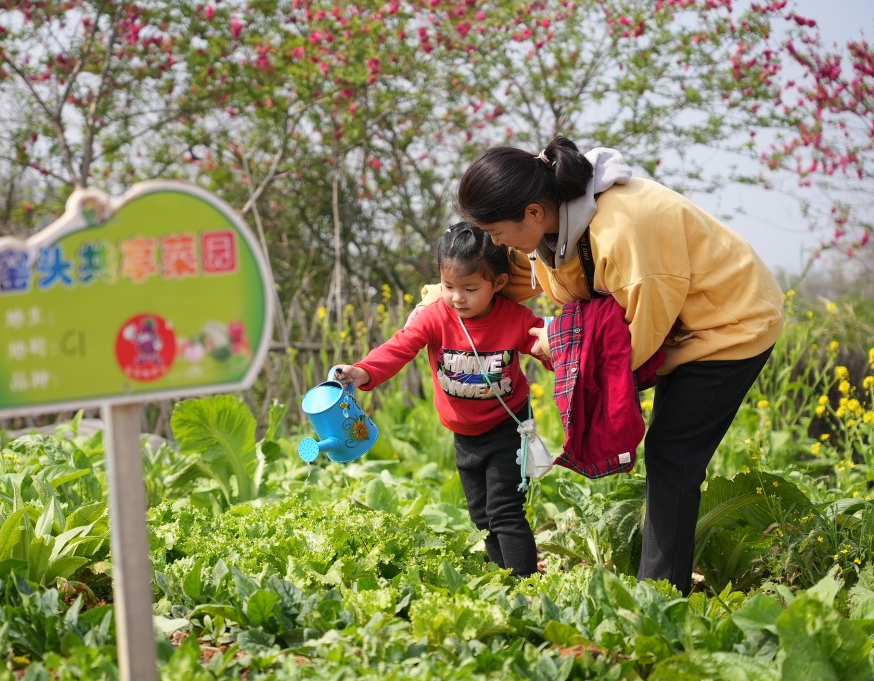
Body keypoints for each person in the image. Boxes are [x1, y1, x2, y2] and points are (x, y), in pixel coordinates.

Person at [419, 135, 783, 596]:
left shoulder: (623, 229)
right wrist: (439, 304)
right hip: (680, 327)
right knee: (668, 455)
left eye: (496, 232)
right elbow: (495, 279)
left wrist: (565, 346)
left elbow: (639, 337)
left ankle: (660, 596)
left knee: (673, 454)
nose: (495, 243)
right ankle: (662, 578)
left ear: (532, 212)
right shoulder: (549, 224)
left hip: (731, 326)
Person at [333, 223, 549, 578]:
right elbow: (399, 347)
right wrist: (362, 371)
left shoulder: (515, 319)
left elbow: (546, 346)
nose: (457, 298)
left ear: (498, 284)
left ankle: (527, 584)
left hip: (507, 426)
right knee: (481, 515)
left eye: (470, 288)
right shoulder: (435, 317)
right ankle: (503, 582)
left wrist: (552, 350)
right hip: (463, 432)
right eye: (448, 287)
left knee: (505, 510)